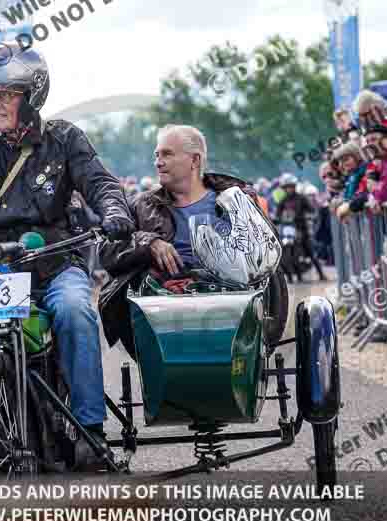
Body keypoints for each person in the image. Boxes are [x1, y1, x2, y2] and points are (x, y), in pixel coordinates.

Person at [0, 44, 133, 469]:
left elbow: (100, 183)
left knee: (75, 311)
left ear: (32, 96)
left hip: (53, 262)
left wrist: (114, 211)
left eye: (6, 93)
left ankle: (90, 428)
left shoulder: (64, 138)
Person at [99, 124, 276, 352]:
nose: (158, 162)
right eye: (157, 155)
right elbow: (107, 249)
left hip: (234, 307)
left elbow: (268, 254)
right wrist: (148, 242)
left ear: (194, 160)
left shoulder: (237, 200)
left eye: (167, 154)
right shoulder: (141, 205)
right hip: (164, 313)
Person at [275, 174, 327, 282]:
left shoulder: (301, 198)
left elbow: (311, 210)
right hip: (287, 230)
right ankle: (290, 276)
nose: (289, 189)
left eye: (290, 186)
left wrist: (310, 216)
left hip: (301, 228)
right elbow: (277, 215)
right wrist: (276, 219)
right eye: (286, 187)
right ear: (284, 189)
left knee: (310, 250)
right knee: (282, 251)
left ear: (294, 186)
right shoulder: (283, 201)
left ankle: (321, 274)